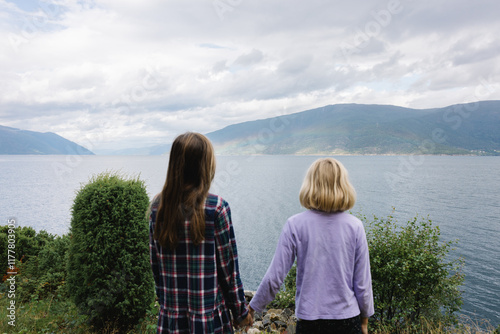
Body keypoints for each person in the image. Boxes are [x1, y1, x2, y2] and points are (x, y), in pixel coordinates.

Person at [249, 158, 374, 334]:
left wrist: (253, 307)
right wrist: (365, 320)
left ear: (311, 184)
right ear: (343, 185)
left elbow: (274, 277)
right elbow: (362, 284)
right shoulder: (355, 226)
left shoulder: (295, 225)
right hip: (348, 321)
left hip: (310, 322)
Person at [149, 132, 253, 333]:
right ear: (205, 166)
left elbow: (156, 268)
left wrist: (167, 307)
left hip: (171, 321)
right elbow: (228, 271)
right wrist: (240, 313)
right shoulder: (217, 209)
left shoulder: (157, 208)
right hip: (209, 323)